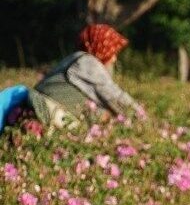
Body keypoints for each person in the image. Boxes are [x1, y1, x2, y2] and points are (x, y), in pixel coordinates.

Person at [2, 24, 144, 134]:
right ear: (101, 47)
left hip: (33, 110)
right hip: (49, 115)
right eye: (112, 52)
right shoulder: (88, 63)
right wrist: (143, 119)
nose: (114, 59)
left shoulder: (73, 59)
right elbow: (115, 97)